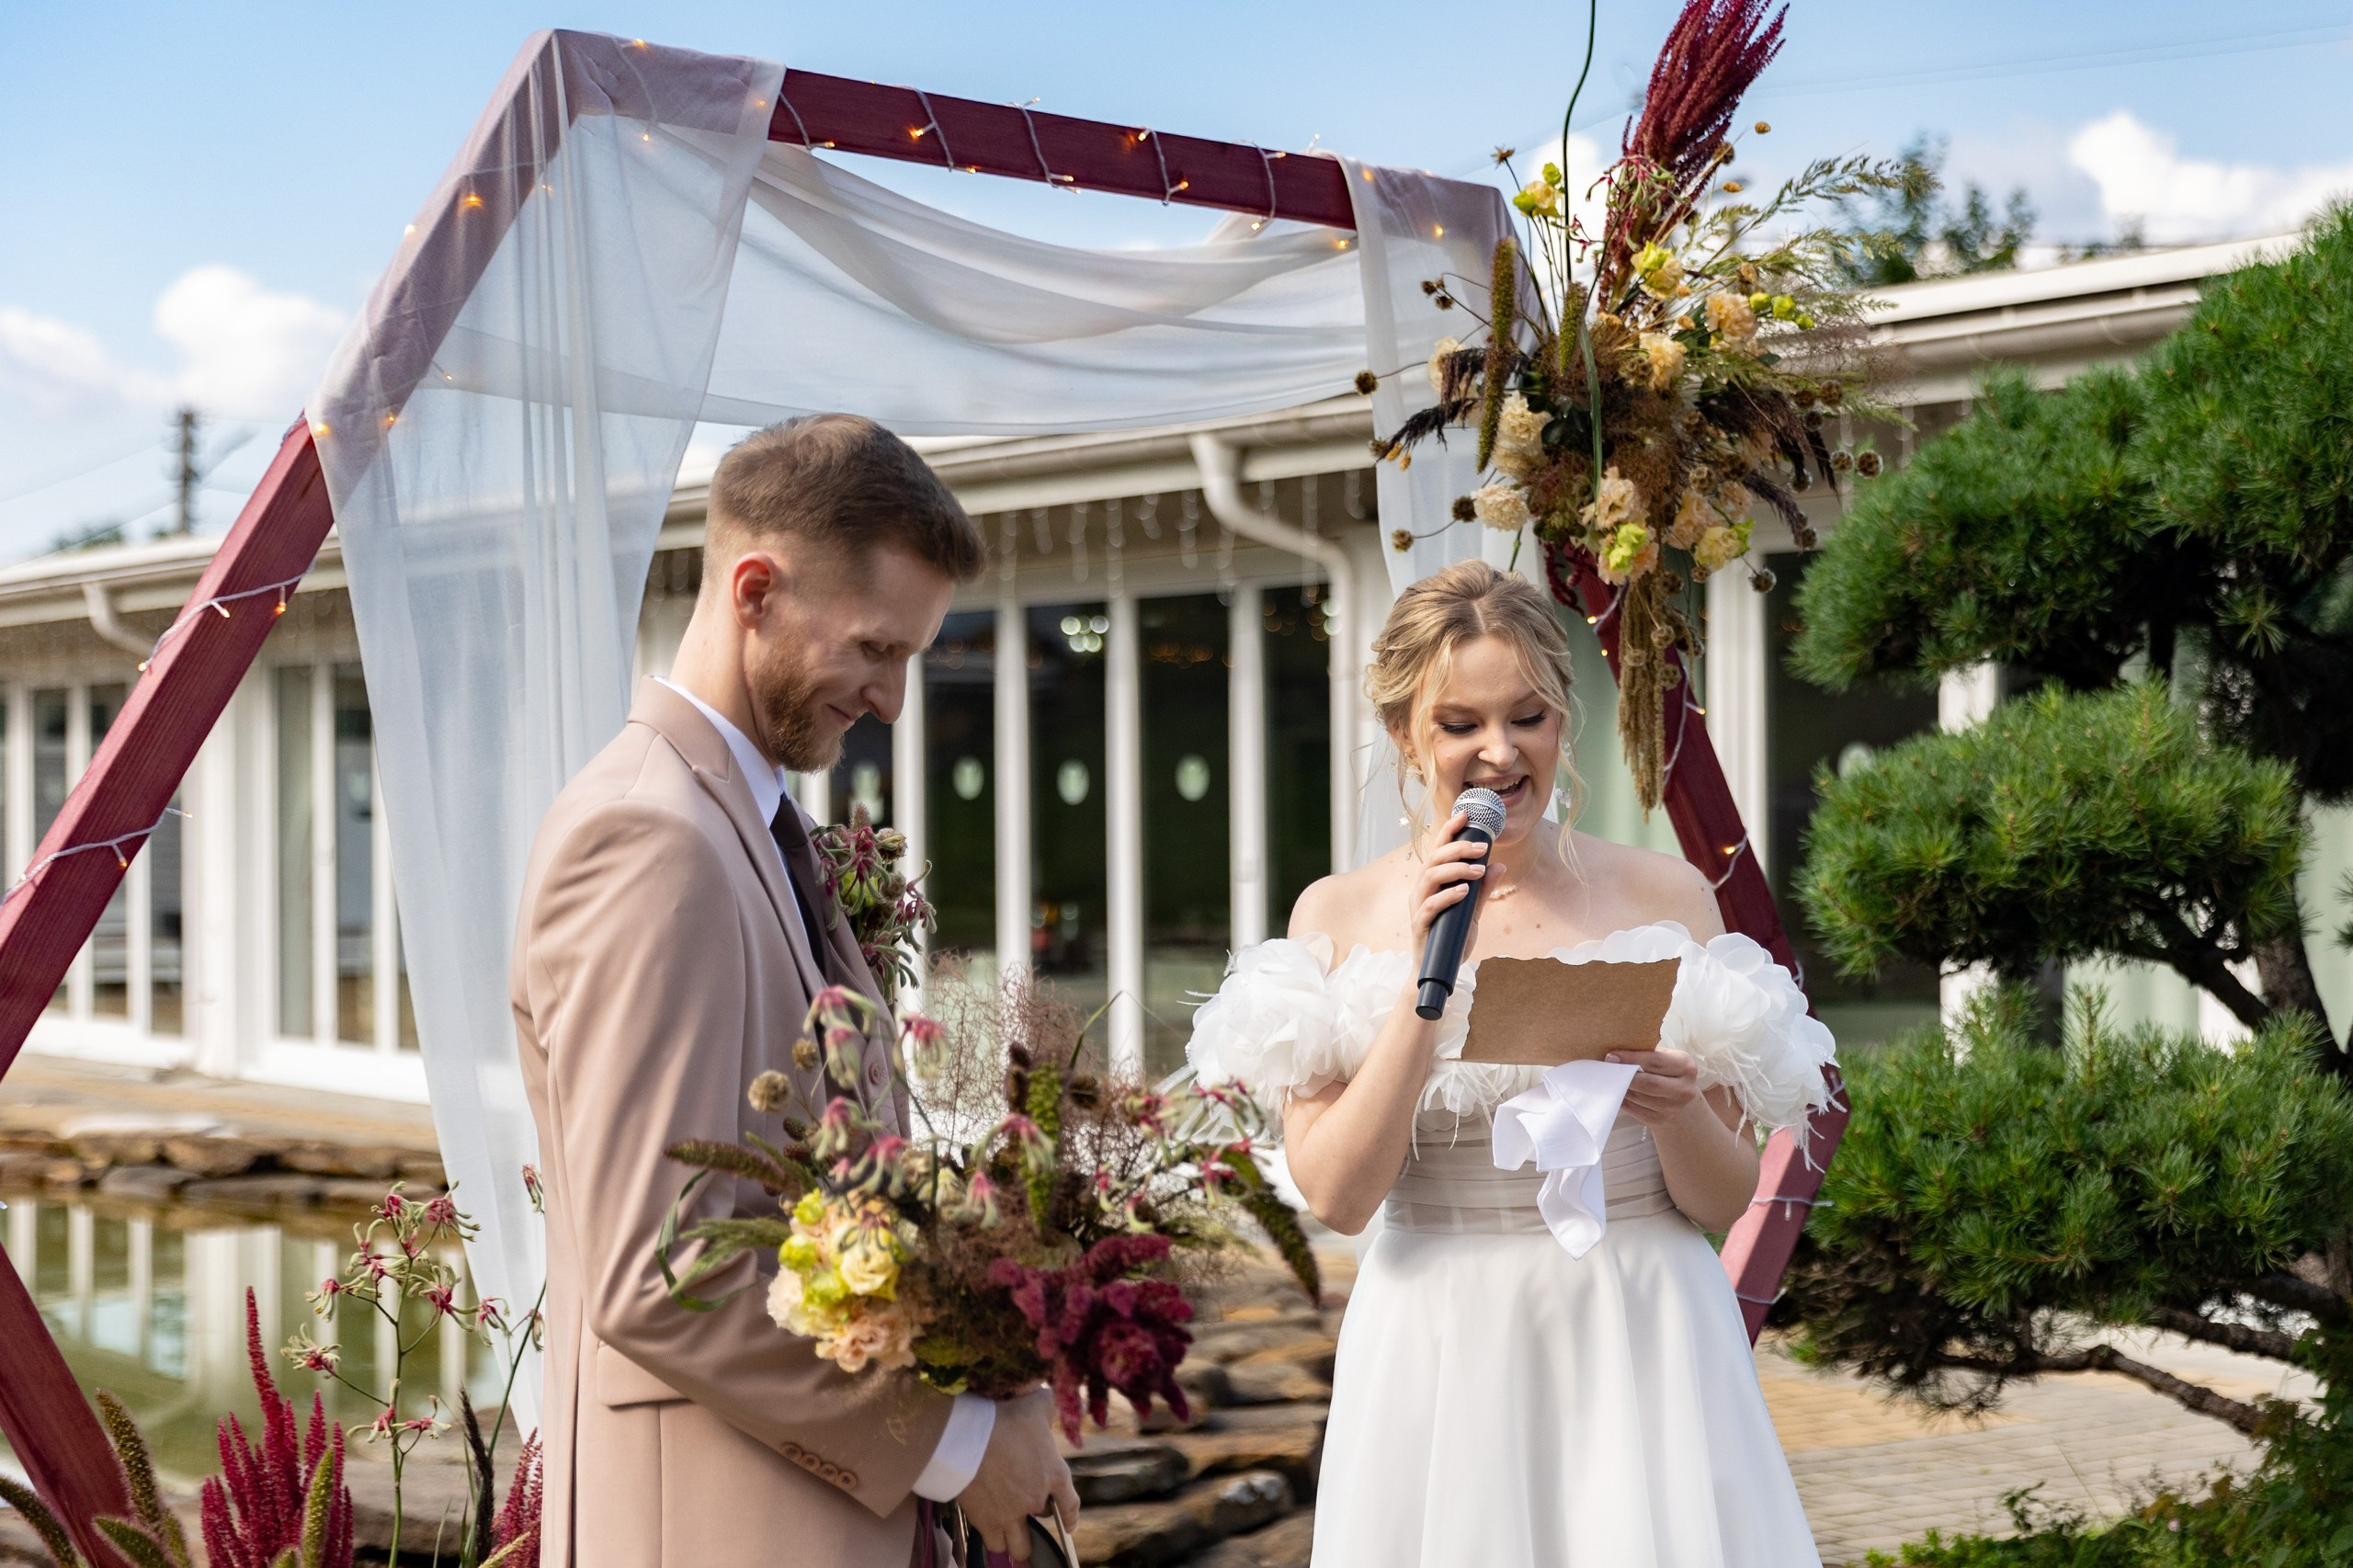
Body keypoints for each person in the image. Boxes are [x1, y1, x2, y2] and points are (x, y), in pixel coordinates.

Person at [510, 415, 1078, 1567]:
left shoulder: (750, 821)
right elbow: (663, 1274)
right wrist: (957, 1441)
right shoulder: (648, 837)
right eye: (875, 648)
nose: (891, 699)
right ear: (754, 589)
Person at [1188, 559, 1834, 1567]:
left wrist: (1674, 1111)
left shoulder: (1663, 897)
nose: (1499, 750)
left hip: (1640, 1324)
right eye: (1460, 724)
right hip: (1438, 1335)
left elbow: (1723, 1196)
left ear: (1561, 721)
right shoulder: (1335, 914)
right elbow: (1338, 1196)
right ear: (1408, 734)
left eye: (1527, 715)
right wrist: (1420, 984)